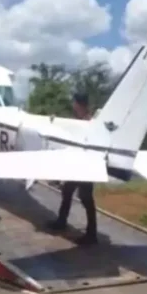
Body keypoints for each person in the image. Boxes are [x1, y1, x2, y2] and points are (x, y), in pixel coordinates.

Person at [46, 92, 98, 245]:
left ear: (79, 104)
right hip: (78, 165)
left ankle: (91, 234)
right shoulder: (81, 120)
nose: (73, 105)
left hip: (86, 167)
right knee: (67, 191)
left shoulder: (89, 122)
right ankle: (62, 221)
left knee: (86, 199)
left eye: (74, 102)